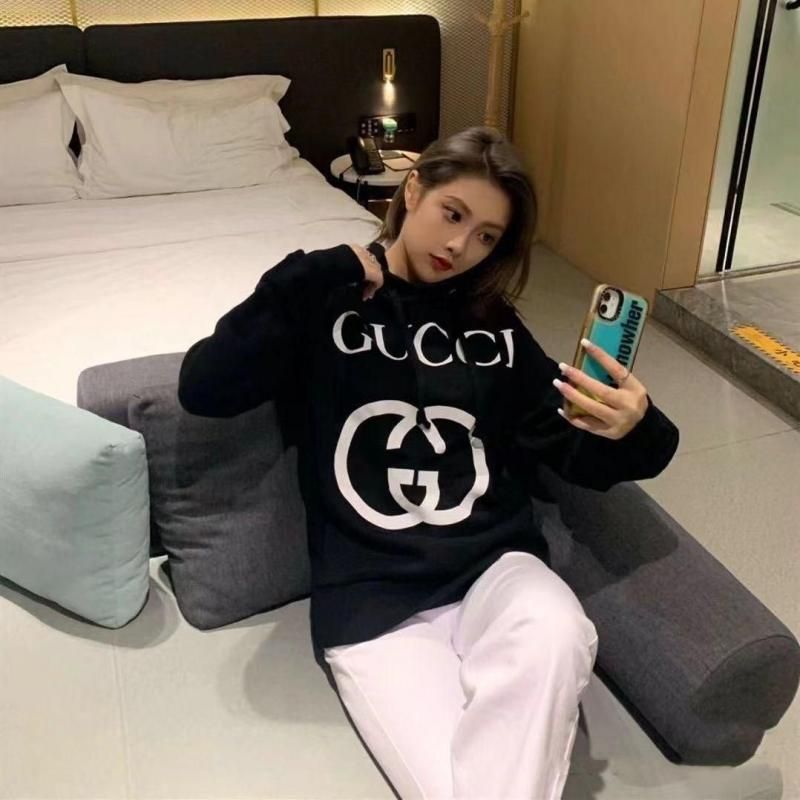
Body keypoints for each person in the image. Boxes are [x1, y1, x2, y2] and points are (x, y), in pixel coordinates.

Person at [178, 126, 679, 800]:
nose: (460, 246)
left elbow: (568, 451)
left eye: (486, 236)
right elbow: (205, 388)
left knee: (559, 631)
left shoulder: (494, 327)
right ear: (413, 190)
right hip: (373, 603)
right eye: (453, 214)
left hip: (496, 572)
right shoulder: (328, 298)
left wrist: (639, 428)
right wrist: (315, 272)